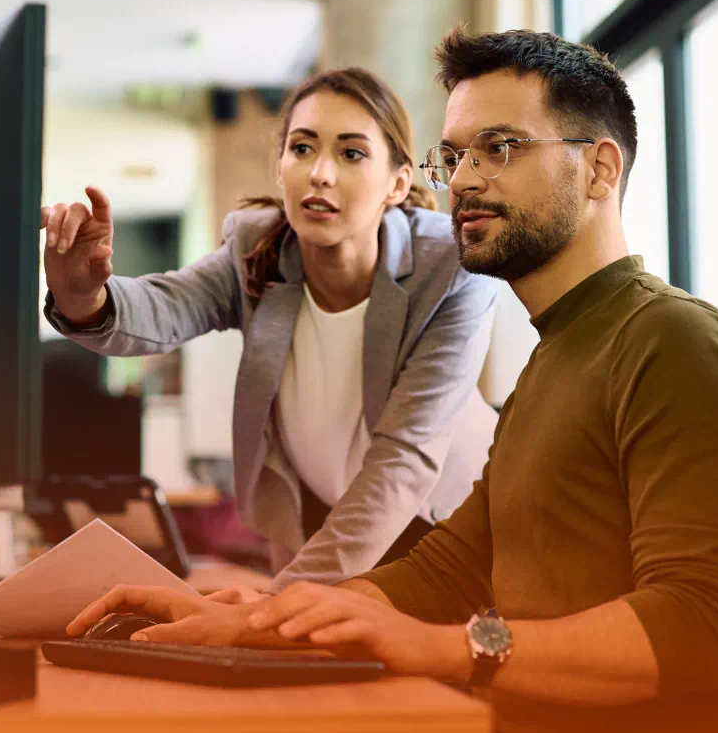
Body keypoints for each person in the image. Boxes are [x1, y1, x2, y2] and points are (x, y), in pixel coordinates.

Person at [66, 29, 718, 733]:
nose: (465, 179)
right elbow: (451, 567)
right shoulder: (553, 357)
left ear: (598, 170)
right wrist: (260, 619)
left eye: (500, 148)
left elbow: (703, 630)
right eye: (456, 155)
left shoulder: (671, 339)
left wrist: (448, 647)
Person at [41, 67, 499, 591]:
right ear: (280, 168)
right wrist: (83, 295)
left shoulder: (452, 267)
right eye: (302, 148)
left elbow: (405, 458)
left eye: (351, 154)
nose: (320, 173)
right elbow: (164, 308)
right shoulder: (257, 250)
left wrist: (276, 601)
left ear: (396, 184)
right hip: (321, 522)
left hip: (445, 528)